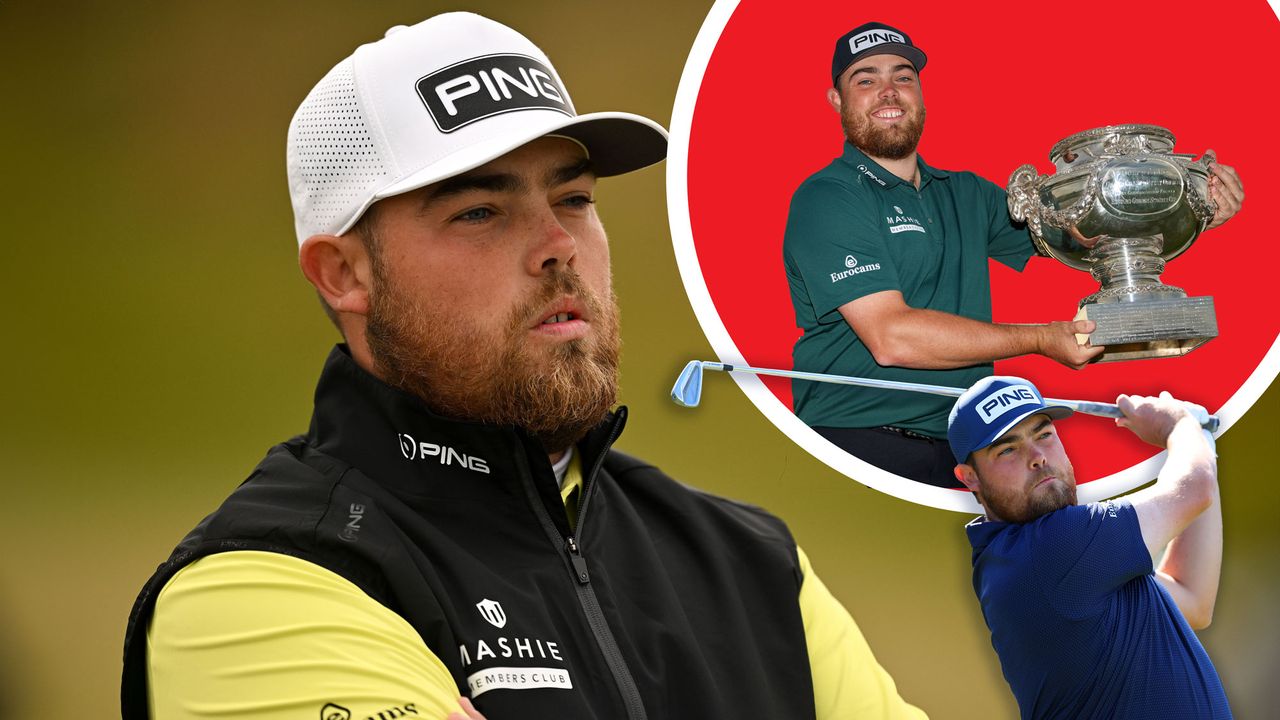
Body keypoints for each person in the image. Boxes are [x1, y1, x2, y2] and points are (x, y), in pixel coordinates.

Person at [120, 13, 927, 720]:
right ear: (344, 274)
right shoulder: (258, 588)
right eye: (480, 211)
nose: (558, 248)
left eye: (573, 198)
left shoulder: (753, 566)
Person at [781, 22, 1245, 488]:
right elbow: (891, 337)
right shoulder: (829, 197)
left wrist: (1186, 207)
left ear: (920, 94)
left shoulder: (963, 192)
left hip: (966, 451)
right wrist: (1043, 339)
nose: (888, 92)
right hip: (854, 443)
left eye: (903, 77)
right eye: (865, 80)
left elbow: (1080, 233)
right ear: (837, 101)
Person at [947, 376, 1228, 718]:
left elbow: (1192, 599)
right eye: (1008, 449)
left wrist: (1203, 447)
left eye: (1044, 434)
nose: (1037, 457)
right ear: (970, 477)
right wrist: (1181, 426)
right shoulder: (1053, 548)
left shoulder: (1043, 561)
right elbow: (1194, 489)